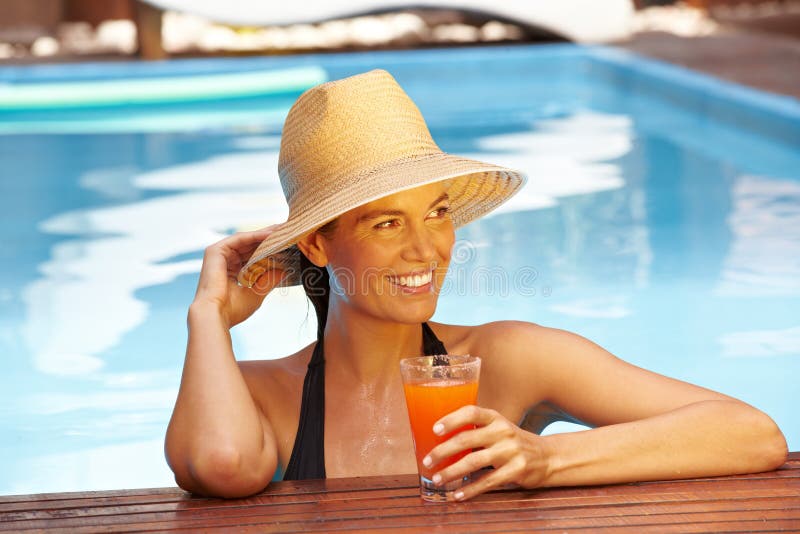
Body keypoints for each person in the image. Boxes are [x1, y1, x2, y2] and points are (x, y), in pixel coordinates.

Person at [164, 69, 788, 500]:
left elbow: (750, 433)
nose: (426, 248)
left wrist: (545, 461)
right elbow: (220, 466)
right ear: (318, 244)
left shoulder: (507, 359)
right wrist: (208, 315)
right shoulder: (261, 393)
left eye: (436, 213)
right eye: (386, 222)